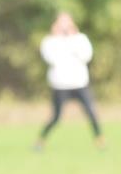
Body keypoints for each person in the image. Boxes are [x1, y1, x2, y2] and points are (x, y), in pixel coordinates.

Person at [35, 13, 103, 151]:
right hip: (60, 84)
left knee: (91, 113)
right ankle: (40, 141)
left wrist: (72, 39)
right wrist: (58, 38)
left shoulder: (80, 39)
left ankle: (100, 140)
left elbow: (86, 56)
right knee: (56, 117)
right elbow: (51, 59)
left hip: (79, 83)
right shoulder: (50, 41)